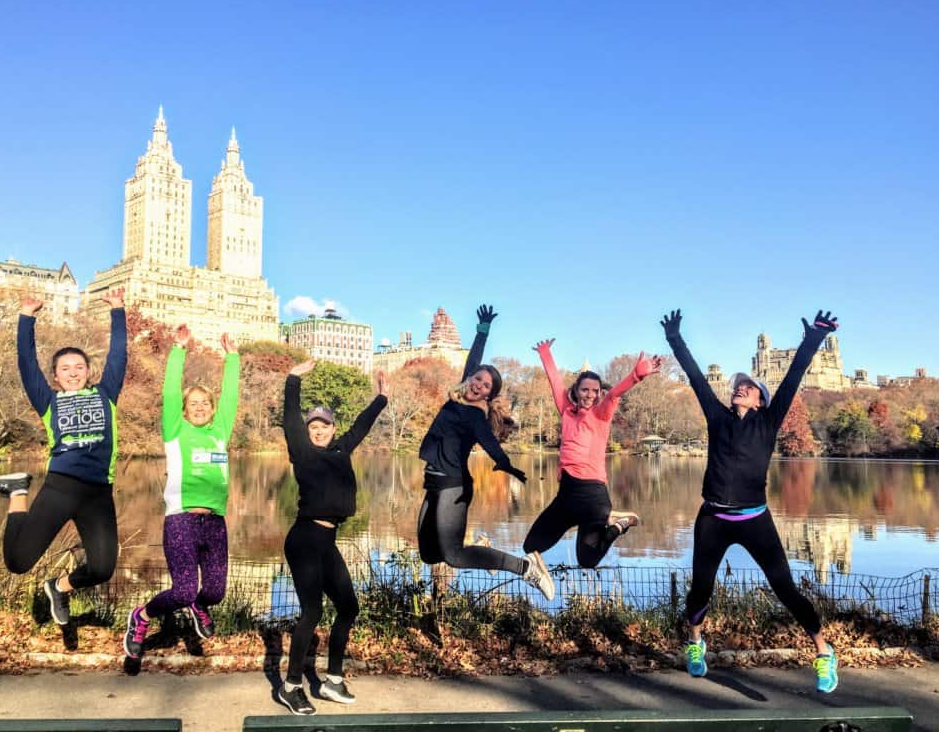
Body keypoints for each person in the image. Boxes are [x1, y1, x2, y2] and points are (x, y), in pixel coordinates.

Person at [661, 308, 840, 693]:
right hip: (713, 519)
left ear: (760, 400)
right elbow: (694, 378)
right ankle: (695, 644)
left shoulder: (768, 421)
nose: (740, 387)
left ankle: (824, 653)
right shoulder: (718, 417)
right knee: (701, 587)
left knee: (785, 587)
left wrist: (814, 338)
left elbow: (792, 378)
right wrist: (675, 337)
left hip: (755, 519)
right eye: (738, 385)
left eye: (749, 387)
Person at [0, 288, 127, 627]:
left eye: (79, 366)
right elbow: (26, 362)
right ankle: (18, 492)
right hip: (61, 487)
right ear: (56, 376)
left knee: (103, 568)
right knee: (18, 562)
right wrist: (26, 318)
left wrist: (118, 311)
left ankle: (58, 588)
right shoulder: (48, 402)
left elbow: (119, 356)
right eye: (66, 368)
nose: (74, 372)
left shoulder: (106, 394)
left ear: (89, 371)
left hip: (98, 493)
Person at [416, 305, 554, 599]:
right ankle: (483, 551)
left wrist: (506, 465)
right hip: (433, 483)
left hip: (452, 487)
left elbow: (490, 445)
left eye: (485, 385)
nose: (478, 384)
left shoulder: (475, 416)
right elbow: (472, 361)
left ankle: (526, 568)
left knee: (453, 555)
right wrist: (482, 331)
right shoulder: (457, 401)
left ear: (489, 394)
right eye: (477, 379)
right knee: (428, 554)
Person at [277, 359, 388, 716]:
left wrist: (381, 398)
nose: (318, 430)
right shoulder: (302, 452)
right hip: (305, 538)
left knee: (348, 607)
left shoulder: (341, 451)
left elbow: (361, 426)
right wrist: (293, 379)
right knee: (312, 611)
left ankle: (333, 680)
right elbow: (291, 416)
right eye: (314, 426)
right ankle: (291, 686)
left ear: (333, 428)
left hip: (327, 541)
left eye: (324, 425)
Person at [123, 326, 241, 658]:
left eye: (205, 402)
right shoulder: (175, 431)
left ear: (213, 409)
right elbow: (171, 393)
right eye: (193, 403)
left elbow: (231, 396)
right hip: (181, 521)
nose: (200, 407)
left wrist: (232, 358)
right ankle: (141, 616)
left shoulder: (219, 432)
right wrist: (178, 350)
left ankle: (200, 608)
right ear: (185, 410)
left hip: (215, 522)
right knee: (184, 589)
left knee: (215, 592)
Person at [523, 340, 662, 577]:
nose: (590, 395)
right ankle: (540, 576)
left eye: (595, 391)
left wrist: (636, 375)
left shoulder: (601, 414)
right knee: (530, 546)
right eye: (585, 389)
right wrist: (545, 353)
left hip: (592, 497)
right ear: (576, 390)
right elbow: (555, 382)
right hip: (566, 496)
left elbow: (615, 394)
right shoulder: (566, 410)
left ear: (599, 393)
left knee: (587, 561)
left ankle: (617, 526)